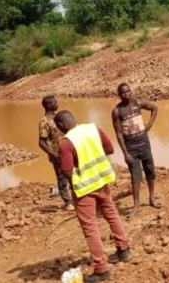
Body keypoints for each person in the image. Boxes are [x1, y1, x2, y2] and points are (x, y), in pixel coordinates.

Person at [55, 110, 131, 283]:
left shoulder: (66, 143)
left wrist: (77, 181)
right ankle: (124, 250)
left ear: (60, 126)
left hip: (84, 189)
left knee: (90, 227)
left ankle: (101, 268)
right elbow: (110, 149)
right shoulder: (93, 128)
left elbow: (66, 170)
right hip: (102, 181)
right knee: (112, 215)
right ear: (74, 119)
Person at [112, 83, 159, 218]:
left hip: (144, 143)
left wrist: (149, 124)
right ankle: (136, 205)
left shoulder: (138, 103)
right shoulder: (117, 111)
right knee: (135, 176)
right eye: (123, 92)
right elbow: (119, 133)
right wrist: (125, 153)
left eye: (128, 91)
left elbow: (154, 108)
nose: (126, 94)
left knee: (150, 170)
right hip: (131, 147)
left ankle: (151, 198)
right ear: (119, 95)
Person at [38, 95, 72, 210]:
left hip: (68, 150)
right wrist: (54, 154)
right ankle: (68, 202)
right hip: (57, 154)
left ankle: (78, 197)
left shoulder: (59, 116)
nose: (57, 104)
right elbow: (41, 142)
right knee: (62, 178)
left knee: (74, 174)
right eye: (55, 102)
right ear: (49, 105)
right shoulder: (44, 122)